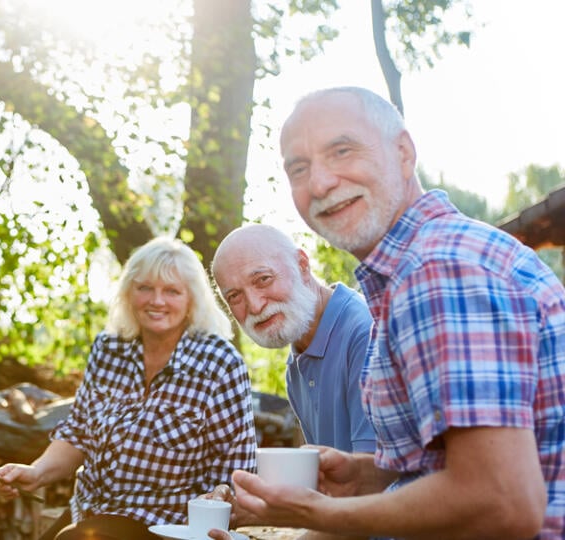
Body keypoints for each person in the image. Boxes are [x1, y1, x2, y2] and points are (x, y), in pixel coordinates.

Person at [218, 86, 565, 540]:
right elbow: (467, 465)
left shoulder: (437, 270)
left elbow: (502, 502)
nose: (320, 183)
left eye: (341, 150)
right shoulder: (422, 266)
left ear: (403, 152)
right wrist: (369, 475)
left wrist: (315, 514)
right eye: (299, 168)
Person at [0, 236, 257, 540]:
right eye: (145, 288)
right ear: (128, 293)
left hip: (171, 527)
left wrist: (220, 500)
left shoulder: (220, 363)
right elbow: (79, 432)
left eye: (171, 291)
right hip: (92, 513)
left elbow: (236, 473)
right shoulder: (108, 348)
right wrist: (36, 473)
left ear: (192, 300)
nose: (156, 301)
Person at [211, 224, 375, 454]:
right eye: (234, 296)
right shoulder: (297, 364)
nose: (255, 306)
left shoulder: (365, 334)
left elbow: (374, 474)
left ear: (302, 266)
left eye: (263, 279)